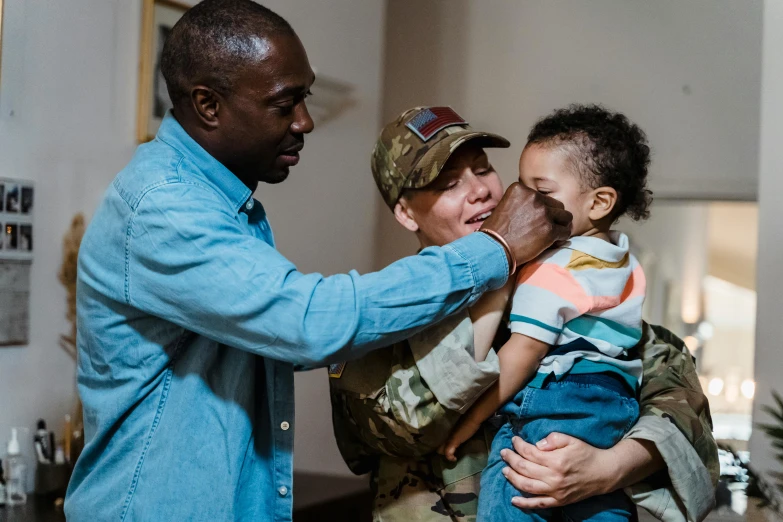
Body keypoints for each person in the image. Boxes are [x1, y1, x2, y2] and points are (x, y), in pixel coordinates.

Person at [63, 2, 573, 521]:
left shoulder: (227, 206)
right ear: (208, 105)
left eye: (304, 98)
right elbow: (309, 323)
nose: (305, 121)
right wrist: (497, 252)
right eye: (285, 104)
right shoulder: (163, 206)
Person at [330, 106, 718, 522]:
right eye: (448, 184)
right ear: (407, 214)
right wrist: (499, 269)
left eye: (483, 170)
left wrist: (607, 469)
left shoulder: (574, 289)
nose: (480, 191)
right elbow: (406, 425)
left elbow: (682, 410)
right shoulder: (376, 314)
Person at [440, 104, 651, 521]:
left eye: (542, 190)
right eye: (521, 186)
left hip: (552, 408)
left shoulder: (553, 269)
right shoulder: (621, 261)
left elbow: (524, 354)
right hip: (612, 413)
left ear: (600, 202)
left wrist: (468, 423)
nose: (525, 203)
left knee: (511, 489)